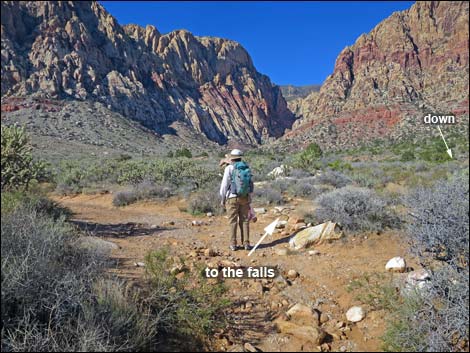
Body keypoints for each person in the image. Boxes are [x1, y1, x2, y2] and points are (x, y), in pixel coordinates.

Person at [219, 149, 254, 251]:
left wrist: (223, 198)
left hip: (232, 198)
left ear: (231, 158)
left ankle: (233, 244)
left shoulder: (229, 168)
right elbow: (251, 184)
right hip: (245, 197)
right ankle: (246, 244)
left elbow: (224, 185)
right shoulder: (246, 167)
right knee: (245, 221)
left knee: (232, 221)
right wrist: (249, 196)